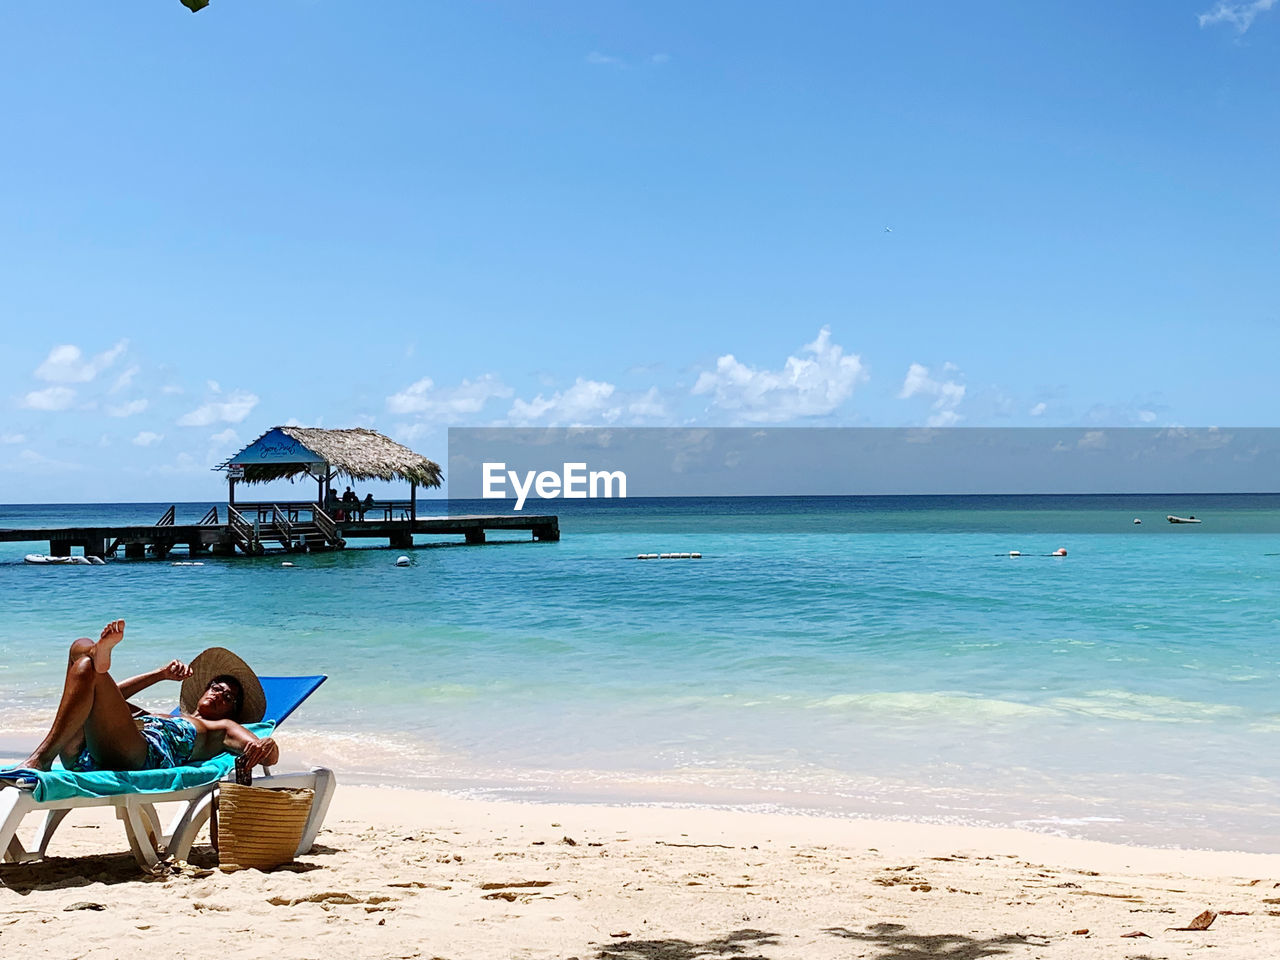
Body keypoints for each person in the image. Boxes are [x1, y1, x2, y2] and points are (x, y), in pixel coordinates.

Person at [18, 620, 278, 773]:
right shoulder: (164, 717)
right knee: (81, 653)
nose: (220, 694)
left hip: (140, 754)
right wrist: (160, 674)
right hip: (85, 752)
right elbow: (100, 696)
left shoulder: (221, 727)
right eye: (216, 687)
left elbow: (266, 753)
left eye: (229, 697)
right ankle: (95, 651)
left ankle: (40, 759)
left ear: (232, 711)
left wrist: (267, 747)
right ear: (203, 690)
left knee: (92, 669)